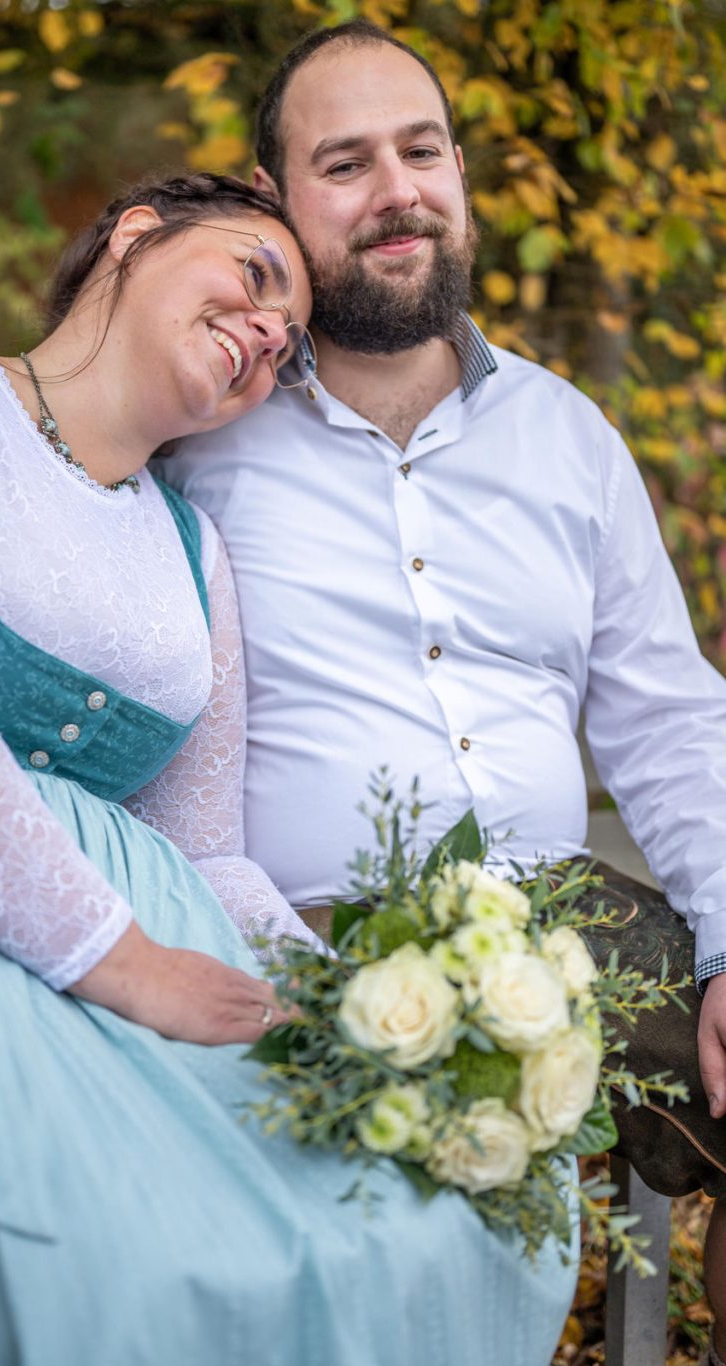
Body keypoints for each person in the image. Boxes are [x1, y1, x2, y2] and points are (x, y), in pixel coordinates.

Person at [0, 170, 577, 1366]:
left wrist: (354, 1019)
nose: (269, 330)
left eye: (287, 342)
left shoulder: (195, 552)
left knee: (400, 1213)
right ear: (134, 234)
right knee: (96, 1262)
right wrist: (118, 958)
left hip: (142, 953)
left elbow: (206, 850)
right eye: (254, 276)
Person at [159, 22, 726, 1363]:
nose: (393, 191)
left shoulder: (563, 437)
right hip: (300, 941)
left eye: (418, 152)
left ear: (460, 174)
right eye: (342, 164)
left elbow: (664, 716)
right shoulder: (198, 438)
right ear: (275, 201)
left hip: (569, 929)